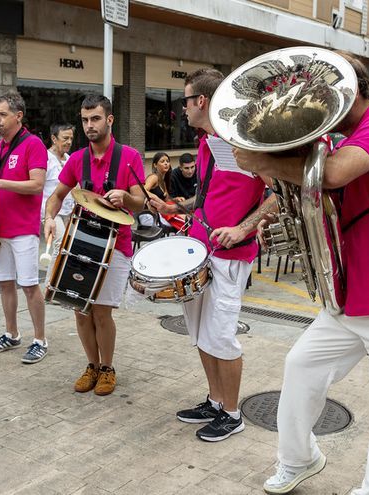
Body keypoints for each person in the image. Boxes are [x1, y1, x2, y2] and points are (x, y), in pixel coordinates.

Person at [231, 53, 369, 494]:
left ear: (348, 88)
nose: (304, 101)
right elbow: (316, 194)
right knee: (301, 367)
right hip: (352, 295)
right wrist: (277, 216)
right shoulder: (333, 140)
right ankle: (300, 459)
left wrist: (264, 162)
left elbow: (330, 175)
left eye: (314, 91)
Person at [148, 68, 265, 441]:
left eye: (184, 100)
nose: (181, 109)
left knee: (222, 337)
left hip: (230, 255)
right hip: (199, 247)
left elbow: (280, 193)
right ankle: (215, 401)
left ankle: (233, 414)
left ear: (201, 101)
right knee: (200, 333)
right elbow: (210, 196)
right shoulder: (205, 144)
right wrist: (174, 208)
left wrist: (242, 229)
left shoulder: (249, 140)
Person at [43, 95, 147, 395]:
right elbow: (57, 196)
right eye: (85, 120)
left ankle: (107, 367)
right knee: (80, 309)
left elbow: (142, 204)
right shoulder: (76, 159)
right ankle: (91, 365)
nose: (89, 125)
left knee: (101, 312)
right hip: (82, 241)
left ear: (110, 120)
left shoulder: (129, 157)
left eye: (96, 119)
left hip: (116, 244)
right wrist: (49, 217)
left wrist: (126, 199)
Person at [0, 92, 50, 364]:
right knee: (4, 284)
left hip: (23, 228)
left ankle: (40, 339)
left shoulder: (33, 145)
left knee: (30, 285)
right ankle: (12, 333)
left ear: (18, 116)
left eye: (2, 115)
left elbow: (36, 185)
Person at [41, 123, 75, 261]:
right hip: (51, 212)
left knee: (69, 248)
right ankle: (50, 282)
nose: (69, 142)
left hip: (68, 210)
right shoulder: (45, 158)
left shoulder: (70, 159)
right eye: (65, 138)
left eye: (71, 138)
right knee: (60, 245)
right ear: (54, 139)